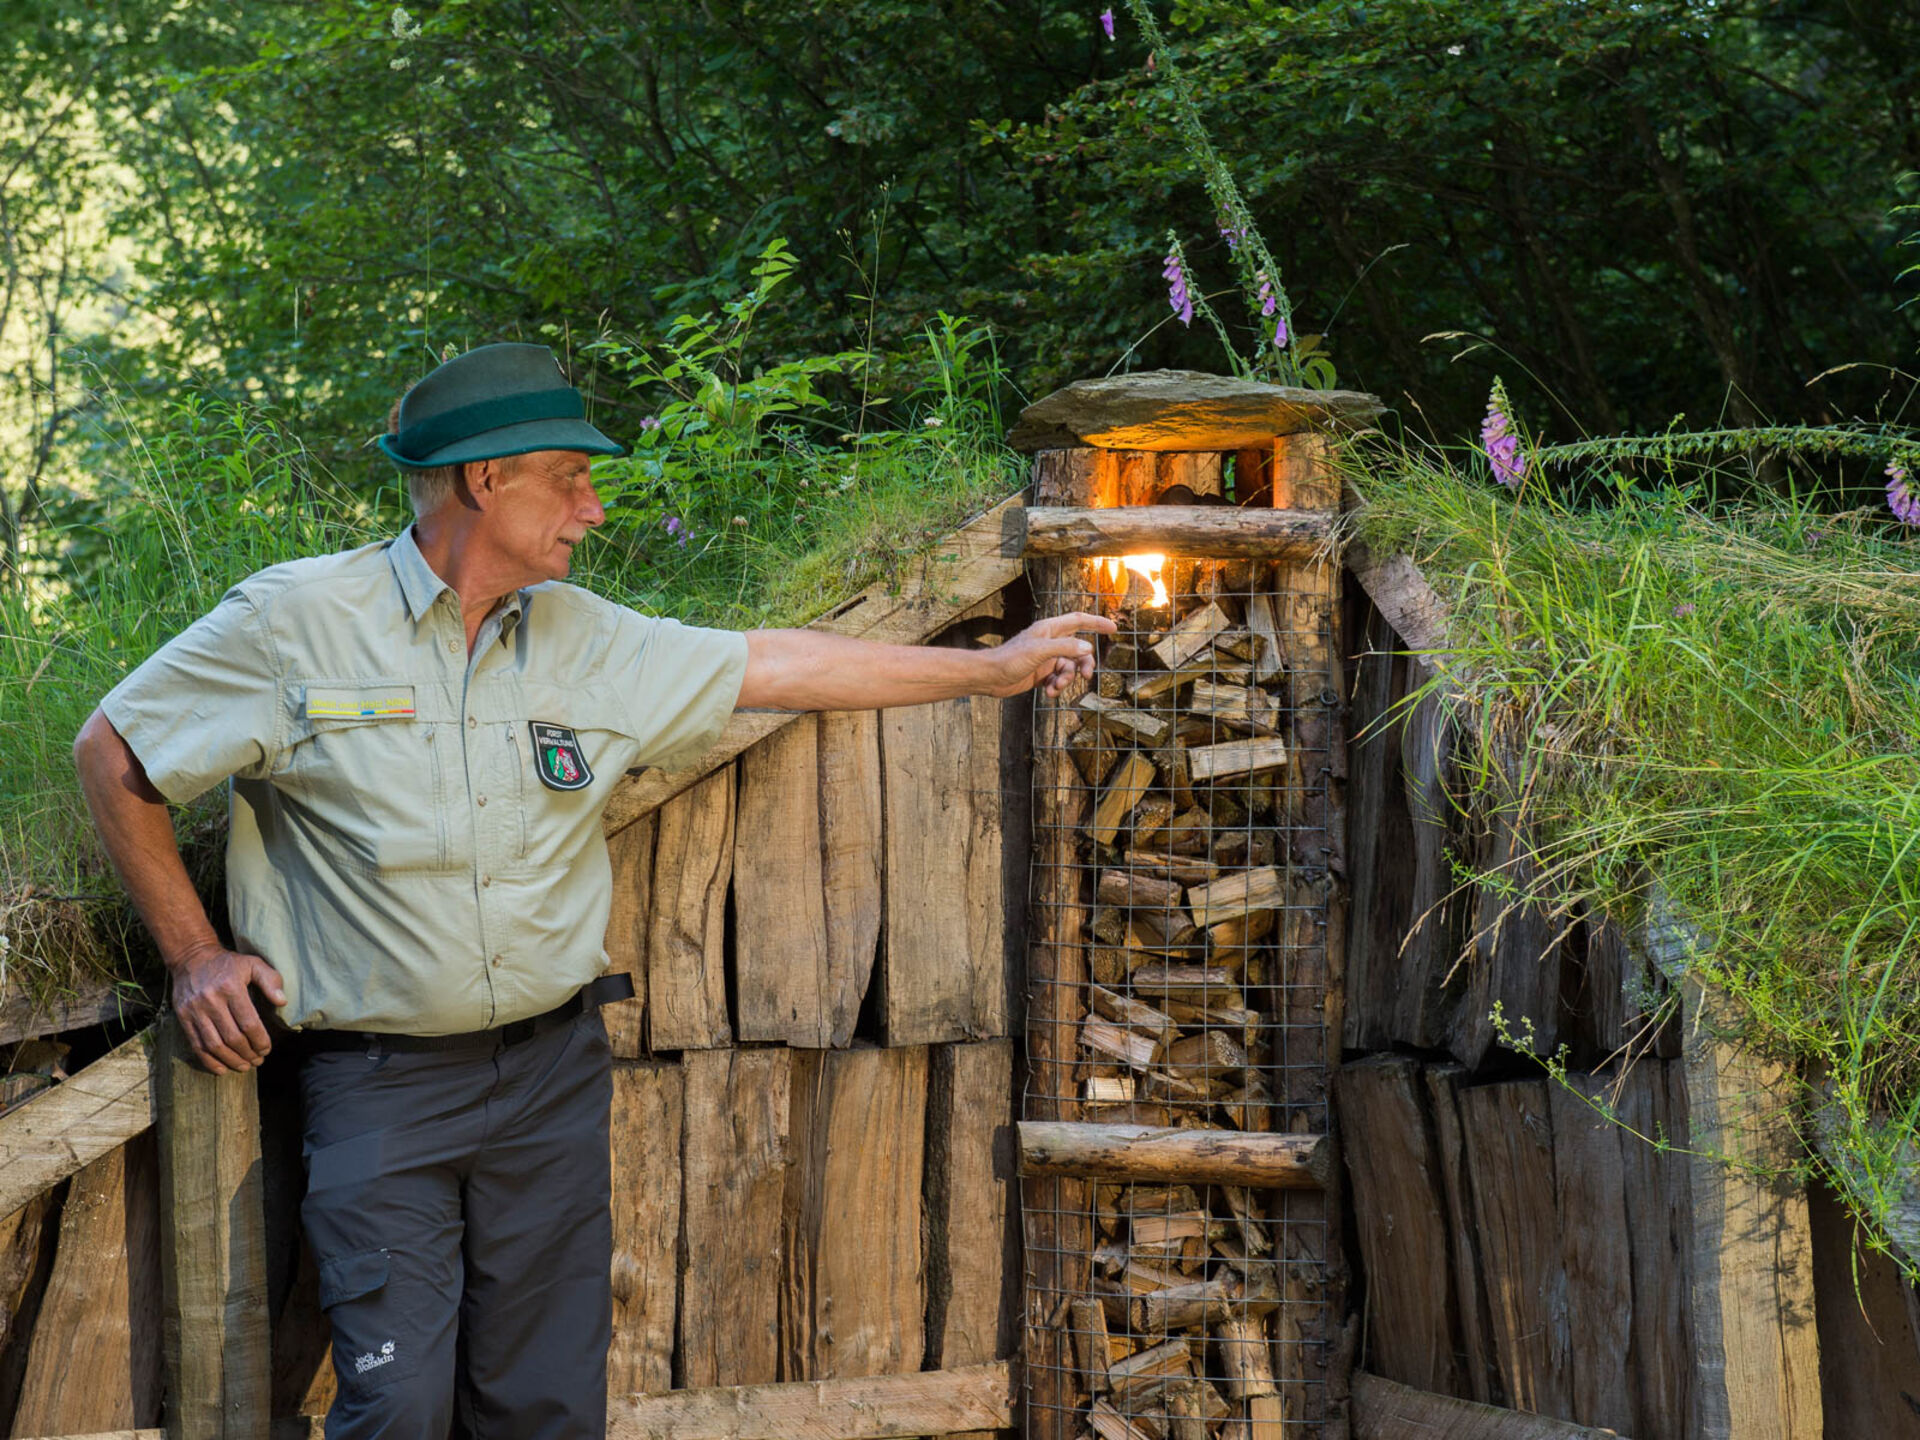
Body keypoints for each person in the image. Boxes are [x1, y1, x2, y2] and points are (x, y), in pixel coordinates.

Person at [72, 342, 1111, 1438]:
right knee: (396, 1404)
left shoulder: (589, 640)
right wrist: (195, 957)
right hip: (379, 1087)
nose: (594, 508)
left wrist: (992, 670)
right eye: (571, 476)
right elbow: (115, 752)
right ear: (487, 479)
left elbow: (778, 665)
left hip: (550, 1081)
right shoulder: (294, 623)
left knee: (546, 1407)